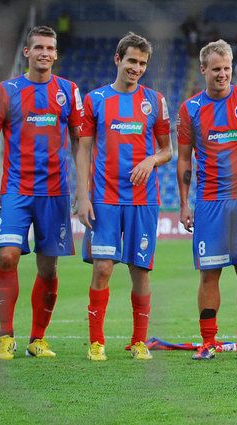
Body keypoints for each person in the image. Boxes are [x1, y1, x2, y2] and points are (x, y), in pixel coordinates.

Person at [0, 26, 82, 360]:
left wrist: (83, 189)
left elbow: (81, 142)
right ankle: (5, 335)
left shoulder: (68, 91)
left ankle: (37, 339)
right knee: (7, 256)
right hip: (16, 190)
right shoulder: (7, 90)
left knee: (48, 270)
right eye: (38, 47)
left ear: (56, 54)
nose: (44, 53)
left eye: (50, 48)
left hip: (55, 192)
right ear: (26, 52)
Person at [75, 32, 172, 361]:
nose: (137, 68)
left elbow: (167, 150)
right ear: (118, 59)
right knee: (103, 268)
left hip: (144, 199)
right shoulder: (96, 100)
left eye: (143, 63)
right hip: (105, 197)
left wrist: (151, 159)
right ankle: (96, 341)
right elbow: (84, 150)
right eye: (131, 61)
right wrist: (82, 196)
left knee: (140, 270)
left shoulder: (155, 101)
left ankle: (139, 340)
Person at [176, 40, 237, 360]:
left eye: (227, 68)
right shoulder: (191, 109)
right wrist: (185, 203)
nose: (223, 74)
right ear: (203, 70)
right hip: (210, 203)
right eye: (216, 69)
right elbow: (184, 159)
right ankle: (208, 341)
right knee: (209, 274)